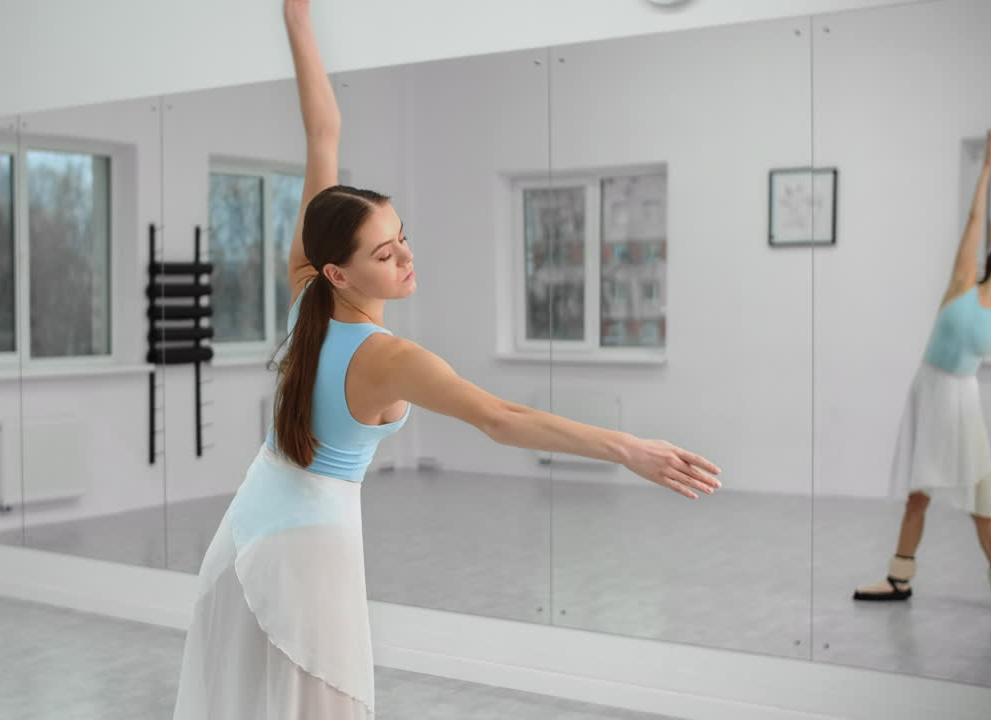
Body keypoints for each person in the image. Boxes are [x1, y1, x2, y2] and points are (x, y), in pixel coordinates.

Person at [171, 2, 722, 717]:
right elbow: (500, 417)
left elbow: (323, 132)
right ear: (339, 270)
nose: (405, 257)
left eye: (403, 236)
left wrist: (298, 19)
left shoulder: (305, 292)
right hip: (304, 555)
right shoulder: (386, 356)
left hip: (246, 531)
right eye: (383, 252)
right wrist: (626, 449)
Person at [853, 129, 991, 618]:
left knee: (981, 495)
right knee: (918, 495)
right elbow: (973, 221)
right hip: (929, 392)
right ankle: (898, 578)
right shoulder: (963, 284)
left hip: (961, 401)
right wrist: (987, 170)